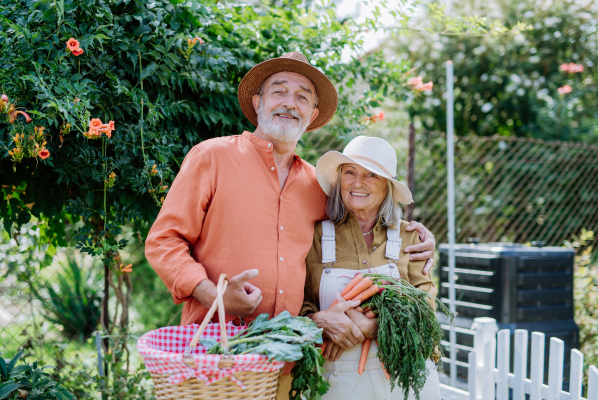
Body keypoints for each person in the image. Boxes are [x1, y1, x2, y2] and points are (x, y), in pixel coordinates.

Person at [144, 52, 436, 400]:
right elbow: (163, 241)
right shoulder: (212, 158)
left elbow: (360, 229)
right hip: (215, 360)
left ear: (312, 114)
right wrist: (215, 294)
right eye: (279, 91)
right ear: (258, 102)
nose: (289, 103)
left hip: (288, 363)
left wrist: (412, 234)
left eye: (302, 97)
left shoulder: (318, 186)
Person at [302, 135, 441, 399]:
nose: (358, 183)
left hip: (405, 378)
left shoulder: (411, 238)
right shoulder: (316, 237)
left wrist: (375, 327)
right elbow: (300, 304)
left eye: (371, 175)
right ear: (339, 179)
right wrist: (319, 321)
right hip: (336, 382)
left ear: (387, 186)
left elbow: (426, 313)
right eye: (350, 172)